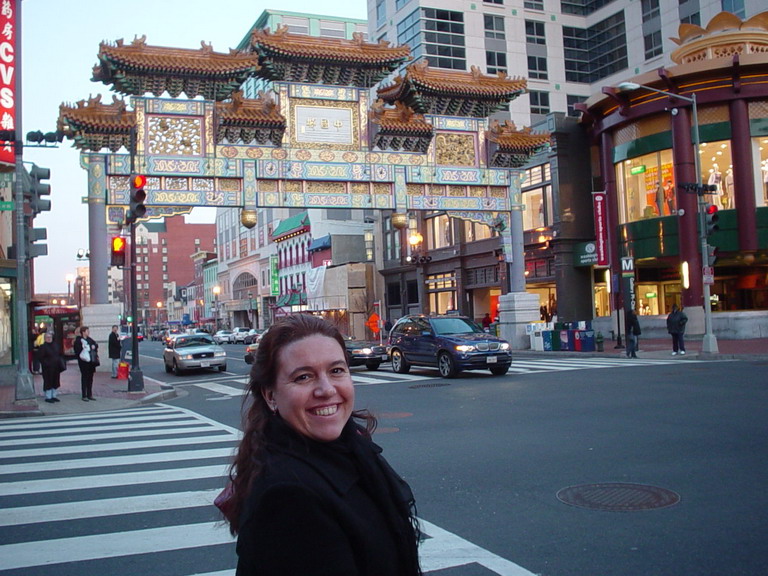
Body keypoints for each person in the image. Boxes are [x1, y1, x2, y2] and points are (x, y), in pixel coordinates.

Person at [223, 314, 421, 576]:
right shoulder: (287, 497)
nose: (326, 389)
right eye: (303, 377)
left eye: (336, 371)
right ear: (271, 395)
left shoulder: (353, 450)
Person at [73, 326, 99, 401]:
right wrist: (84, 349)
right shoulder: (79, 340)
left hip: (91, 362)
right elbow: (77, 351)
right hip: (83, 362)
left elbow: (95, 345)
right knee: (84, 377)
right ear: (83, 332)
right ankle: (84, 395)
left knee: (90, 378)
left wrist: (94, 346)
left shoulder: (90, 339)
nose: (88, 332)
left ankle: (89, 394)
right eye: (87, 331)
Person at [37, 332, 64, 403]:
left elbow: (60, 354)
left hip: (56, 367)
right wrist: (46, 363)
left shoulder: (56, 345)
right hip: (47, 368)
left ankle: (54, 396)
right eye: (47, 337)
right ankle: (48, 397)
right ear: (45, 338)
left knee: (55, 381)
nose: (49, 339)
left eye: (50, 337)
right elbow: (40, 357)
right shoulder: (43, 347)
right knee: (48, 381)